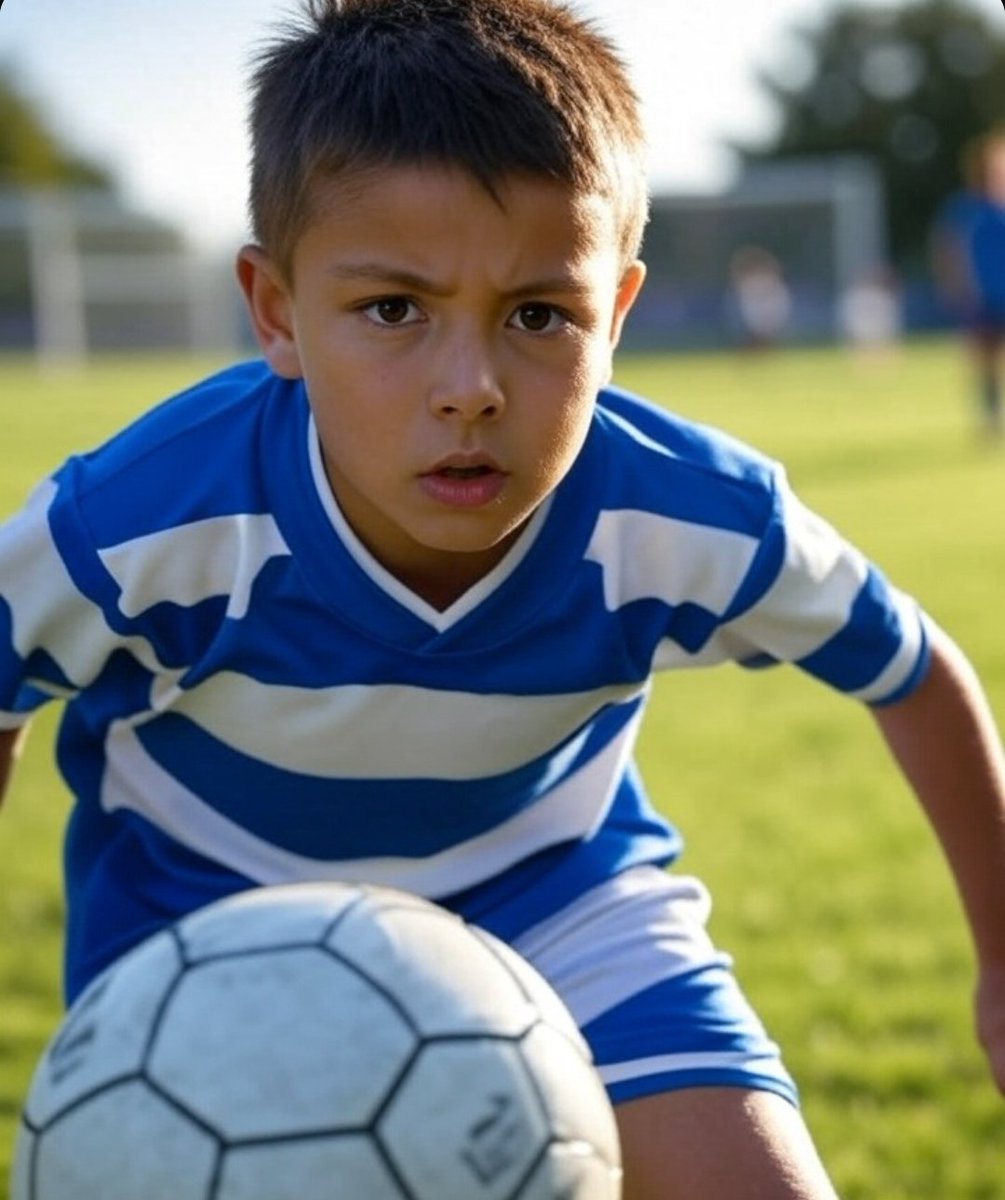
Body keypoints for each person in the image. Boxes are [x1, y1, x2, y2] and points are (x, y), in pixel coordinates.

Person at [2, 2, 1004, 1196]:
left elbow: (909, 667)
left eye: (540, 315)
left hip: (559, 897)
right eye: (393, 311)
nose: (470, 388)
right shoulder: (145, 517)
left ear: (616, 313)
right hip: (207, 923)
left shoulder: (683, 516)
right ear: (275, 310)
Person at [932, 126, 1005, 437]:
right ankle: (990, 422)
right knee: (985, 362)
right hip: (983, 297)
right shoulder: (965, 208)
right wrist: (953, 288)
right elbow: (947, 250)